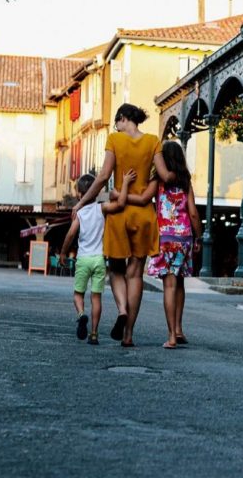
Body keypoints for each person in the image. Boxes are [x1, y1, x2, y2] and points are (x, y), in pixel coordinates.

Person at [73, 103, 175, 347]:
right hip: (144, 216)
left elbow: (102, 177)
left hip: (120, 214)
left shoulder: (114, 140)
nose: (116, 126)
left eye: (117, 121)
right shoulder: (152, 142)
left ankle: (121, 311)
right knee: (136, 273)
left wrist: (83, 203)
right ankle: (128, 335)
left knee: (117, 270)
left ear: (122, 119)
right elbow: (164, 174)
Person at [61, 170, 136, 345]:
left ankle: (81, 315)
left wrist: (64, 252)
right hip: (99, 260)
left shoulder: (79, 213)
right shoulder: (101, 208)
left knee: (78, 294)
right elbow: (121, 204)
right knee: (96, 298)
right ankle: (94, 334)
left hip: (83, 259)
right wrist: (124, 183)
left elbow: (71, 234)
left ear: (80, 194)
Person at [144, 141, 202, 349]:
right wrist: (199, 236)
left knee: (169, 285)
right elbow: (193, 212)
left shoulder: (158, 181)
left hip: (165, 238)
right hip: (184, 238)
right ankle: (178, 329)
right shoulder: (185, 180)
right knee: (180, 283)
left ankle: (170, 337)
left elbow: (146, 201)